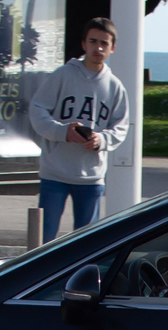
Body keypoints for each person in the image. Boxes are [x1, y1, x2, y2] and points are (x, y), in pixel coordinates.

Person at [27, 18, 133, 240]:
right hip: (55, 173)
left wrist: (101, 140)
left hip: (91, 177)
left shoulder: (115, 87)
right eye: (93, 41)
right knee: (44, 238)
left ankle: (79, 276)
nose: (99, 48)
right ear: (84, 44)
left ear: (112, 48)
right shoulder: (62, 75)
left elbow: (120, 127)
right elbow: (37, 110)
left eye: (104, 43)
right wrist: (62, 131)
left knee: (85, 242)